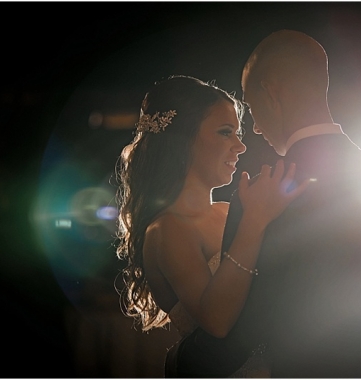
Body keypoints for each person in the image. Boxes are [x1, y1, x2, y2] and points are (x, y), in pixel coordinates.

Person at [174, 30, 361, 377]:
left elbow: (241, 329)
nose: (252, 128)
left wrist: (181, 362)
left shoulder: (260, 196)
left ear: (271, 92)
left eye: (250, 108)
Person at [114, 75, 309, 377]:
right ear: (183, 138)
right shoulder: (166, 230)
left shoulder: (228, 211)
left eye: (238, 133)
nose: (241, 146)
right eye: (225, 132)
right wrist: (254, 221)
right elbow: (217, 321)